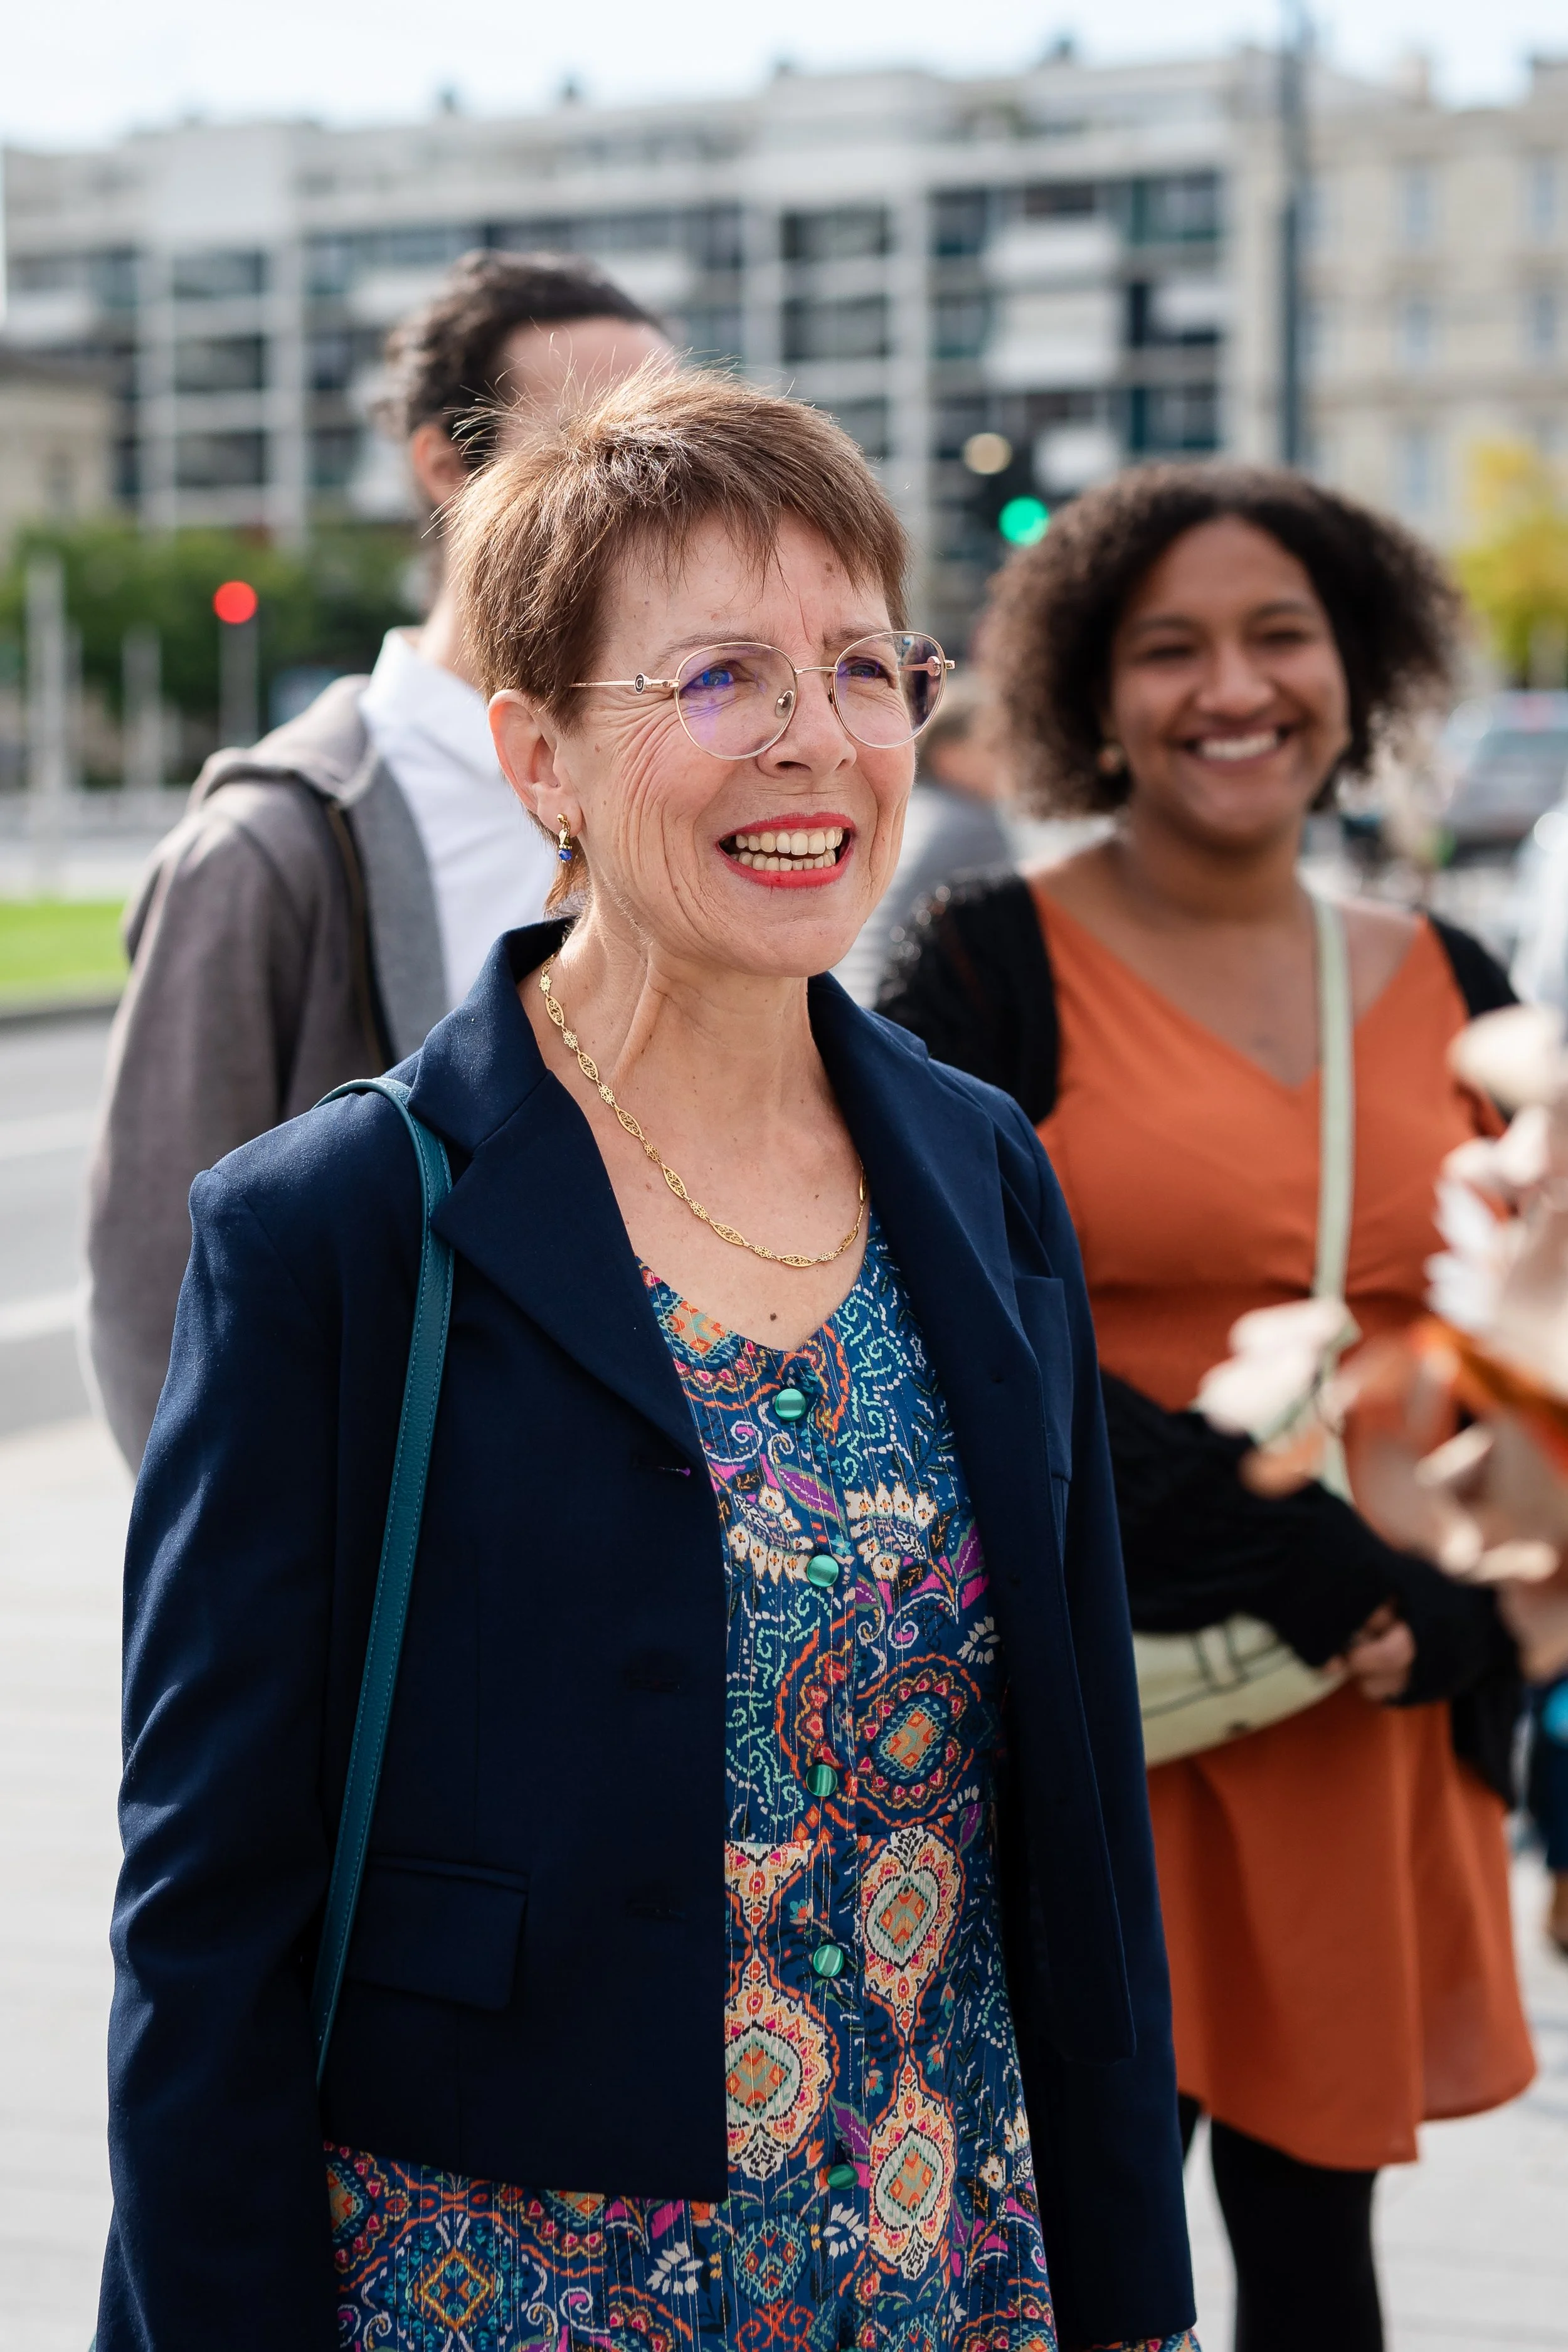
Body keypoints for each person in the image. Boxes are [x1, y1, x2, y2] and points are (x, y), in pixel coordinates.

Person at [97, 369, 1199, 2352]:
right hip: (508, 2268)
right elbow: (205, 1913)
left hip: (931, 2236)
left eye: (865, 667)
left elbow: (1082, 1787)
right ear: (537, 753)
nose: (816, 745)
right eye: (715, 680)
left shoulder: (975, 1167)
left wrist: (1127, 2280)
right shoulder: (337, 1219)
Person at [878, 463, 1536, 2352]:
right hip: (1090, 1711)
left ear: (1355, 673)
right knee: (1062, 2260)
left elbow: (1512, 1349)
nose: (1225, 686)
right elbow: (936, 1330)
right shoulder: (984, 963)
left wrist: (1476, 1597)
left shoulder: (1453, 981)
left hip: (1358, 1709)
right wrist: (1294, 1549)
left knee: (1315, 2254)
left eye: (1274, 637)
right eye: (1164, 646)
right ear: (1089, 689)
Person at [85, 248, 671, 1467]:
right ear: (445, 465)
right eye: (586, 435)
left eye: (666, 428)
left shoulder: (670, 776)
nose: (646, 477)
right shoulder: (273, 844)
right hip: (396, 1562)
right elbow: (158, 1289)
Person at [834, 678, 1012, 1004]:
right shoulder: (973, 827)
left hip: (856, 1005)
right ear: (949, 756)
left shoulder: (909, 817)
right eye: (993, 747)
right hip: (915, 1016)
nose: (1007, 764)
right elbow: (1011, 941)